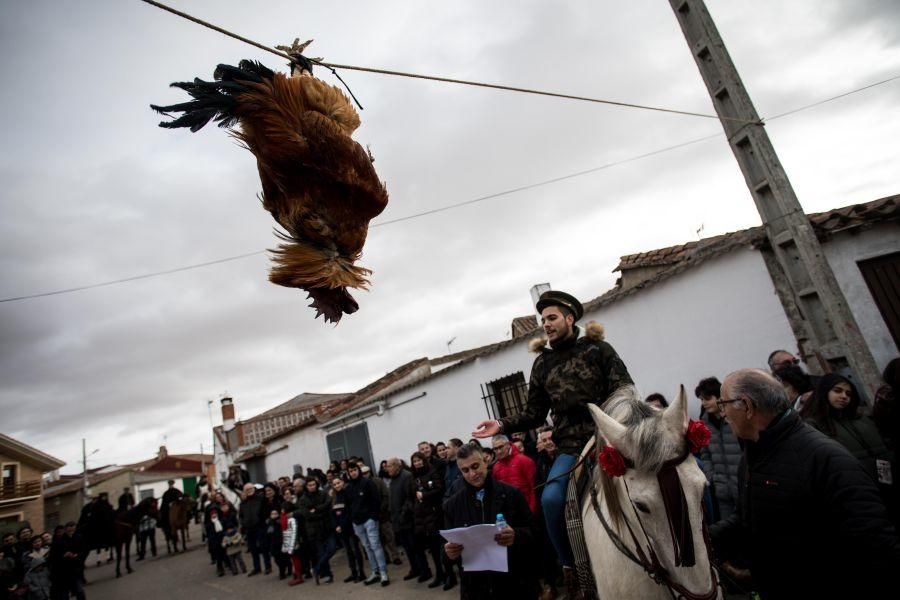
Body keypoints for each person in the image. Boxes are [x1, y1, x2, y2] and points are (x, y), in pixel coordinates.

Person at [472, 289, 632, 596]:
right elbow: (534, 413)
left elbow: (625, 390)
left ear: (570, 319)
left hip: (609, 438)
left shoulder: (599, 350)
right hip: (571, 447)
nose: (545, 324)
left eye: (552, 317)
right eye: (542, 319)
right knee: (551, 499)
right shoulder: (542, 365)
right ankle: (570, 567)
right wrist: (502, 423)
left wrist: (618, 430)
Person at [711, 369, 900, 598]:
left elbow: (875, 543)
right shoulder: (753, 455)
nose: (723, 414)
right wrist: (701, 540)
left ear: (747, 406)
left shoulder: (824, 457)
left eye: (724, 404)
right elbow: (747, 518)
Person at [443, 442, 537, 600]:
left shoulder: (512, 494)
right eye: (465, 470)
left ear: (485, 461)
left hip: (514, 584)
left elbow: (535, 532)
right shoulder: (452, 506)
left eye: (475, 466)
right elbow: (445, 547)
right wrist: (448, 553)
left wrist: (516, 536)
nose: (472, 474)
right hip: (475, 589)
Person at [802, 374, 894, 501]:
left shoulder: (862, 418)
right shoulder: (813, 425)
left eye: (848, 393)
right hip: (857, 493)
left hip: (888, 483)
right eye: (837, 391)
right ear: (824, 392)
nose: (844, 396)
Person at [694, 376, 742, 523]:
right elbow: (705, 453)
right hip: (721, 490)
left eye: (707, 398)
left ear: (719, 397)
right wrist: (711, 477)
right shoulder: (704, 424)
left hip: (742, 487)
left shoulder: (736, 418)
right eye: (701, 400)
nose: (704, 403)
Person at [346, 461, 389, 586]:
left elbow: (376, 500)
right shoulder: (348, 488)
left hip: (369, 520)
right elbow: (348, 506)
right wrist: (353, 520)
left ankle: (383, 573)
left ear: (358, 470)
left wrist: (373, 517)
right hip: (357, 523)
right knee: (367, 548)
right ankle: (375, 572)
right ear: (348, 473)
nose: (353, 473)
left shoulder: (367, 482)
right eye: (350, 471)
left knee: (375, 545)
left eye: (354, 470)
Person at [410, 451, 447, 589]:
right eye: (415, 461)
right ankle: (439, 574)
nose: (417, 463)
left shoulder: (432, 472)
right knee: (433, 549)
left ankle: (447, 575)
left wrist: (424, 495)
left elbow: (439, 489)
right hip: (422, 518)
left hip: (434, 515)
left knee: (440, 547)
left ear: (424, 461)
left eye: (419, 460)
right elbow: (412, 496)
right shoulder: (414, 477)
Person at [385, 457, 423, 582]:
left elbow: (409, 497)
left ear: (397, 466)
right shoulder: (393, 480)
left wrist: (403, 514)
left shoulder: (406, 476)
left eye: (389, 466)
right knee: (407, 548)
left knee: (415, 546)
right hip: (397, 520)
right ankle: (414, 568)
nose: (387, 468)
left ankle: (424, 570)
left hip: (408, 519)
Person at [297, 478, 336, 583]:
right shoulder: (302, 499)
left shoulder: (323, 494)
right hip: (314, 530)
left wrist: (316, 510)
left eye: (313, 484)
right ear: (306, 486)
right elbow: (307, 515)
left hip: (327, 527)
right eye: (309, 485)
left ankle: (317, 568)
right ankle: (328, 575)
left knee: (332, 548)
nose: (312, 487)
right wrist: (320, 511)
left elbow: (328, 505)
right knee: (321, 552)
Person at [362, 465, 401, 566]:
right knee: (378, 539)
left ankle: (395, 556)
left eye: (366, 473)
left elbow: (385, 495)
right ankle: (385, 557)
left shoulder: (378, 481)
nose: (365, 475)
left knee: (389, 536)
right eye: (363, 474)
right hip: (371, 516)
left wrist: (382, 509)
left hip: (383, 514)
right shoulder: (361, 485)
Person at [490, 435, 537, 513]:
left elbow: (534, 488)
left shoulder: (524, 461)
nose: (499, 451)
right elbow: (497, 493)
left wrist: (531, 510)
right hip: (508, 512)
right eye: (495, 449)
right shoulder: (495, 467)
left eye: (501, 447)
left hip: (526, 508)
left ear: (508, 445)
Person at [331, 477, 366, 583]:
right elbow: (333, 514)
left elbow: (349, 512)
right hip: (341, 530)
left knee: (355, 550)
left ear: (343, 483)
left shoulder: (348, 494)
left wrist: (341, 525)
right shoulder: (334, 498)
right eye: (335, 484)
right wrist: (336, 526)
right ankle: (353, 572)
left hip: (350, 528)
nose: (337, 485)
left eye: (338, 483)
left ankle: (361, 573)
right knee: (348, 552)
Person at [238, 483, 271, 576]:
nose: (249, 490)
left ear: (254, 489)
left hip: (260, 526)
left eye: (250, 488)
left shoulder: (261, 499)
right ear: (244, 491)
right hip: (249, 528)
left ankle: (268, 566)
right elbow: (241, 516)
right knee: (253, 549)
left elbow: (266, 512)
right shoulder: (243, 503)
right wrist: (243, 524)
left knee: (264, 547)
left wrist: (263, 521)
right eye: (247, 489)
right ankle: (257, 568)